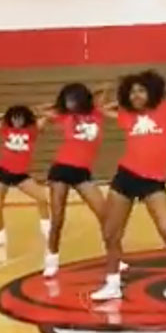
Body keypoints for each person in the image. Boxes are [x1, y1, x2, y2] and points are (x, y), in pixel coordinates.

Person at [89, 70, 166, 302]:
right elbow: (99, 106)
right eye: (133, 91)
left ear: (151, 92)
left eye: (141, 90)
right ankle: (112, 283)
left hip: (153, 182)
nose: (136, 95)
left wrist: (159, 91)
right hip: (126, 177)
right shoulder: (126, 114)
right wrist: (122, 99)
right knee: (110, 233)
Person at [39, 83, 128, 277]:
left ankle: (116, 258)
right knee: (58, 218)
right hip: (61, 170)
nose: (70, 104)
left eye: (73, 100)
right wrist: (59, 105)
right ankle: (51, 259)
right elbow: (42, 110)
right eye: (67, 100)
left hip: (83, 173)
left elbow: (104, 89)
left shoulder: (97, 113)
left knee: (105, 215)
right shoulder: (64, 116)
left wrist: (90, 96)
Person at [0, 105, 50, 249]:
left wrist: (33, 114)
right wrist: (4, 114)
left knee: (42, 199)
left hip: (21, 174)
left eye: (20, 118)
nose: (17, 121)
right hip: (4, 173)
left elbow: (46, 116)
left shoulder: (32, 131)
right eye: (14, 118)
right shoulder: (6, 129)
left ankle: (47, 231)